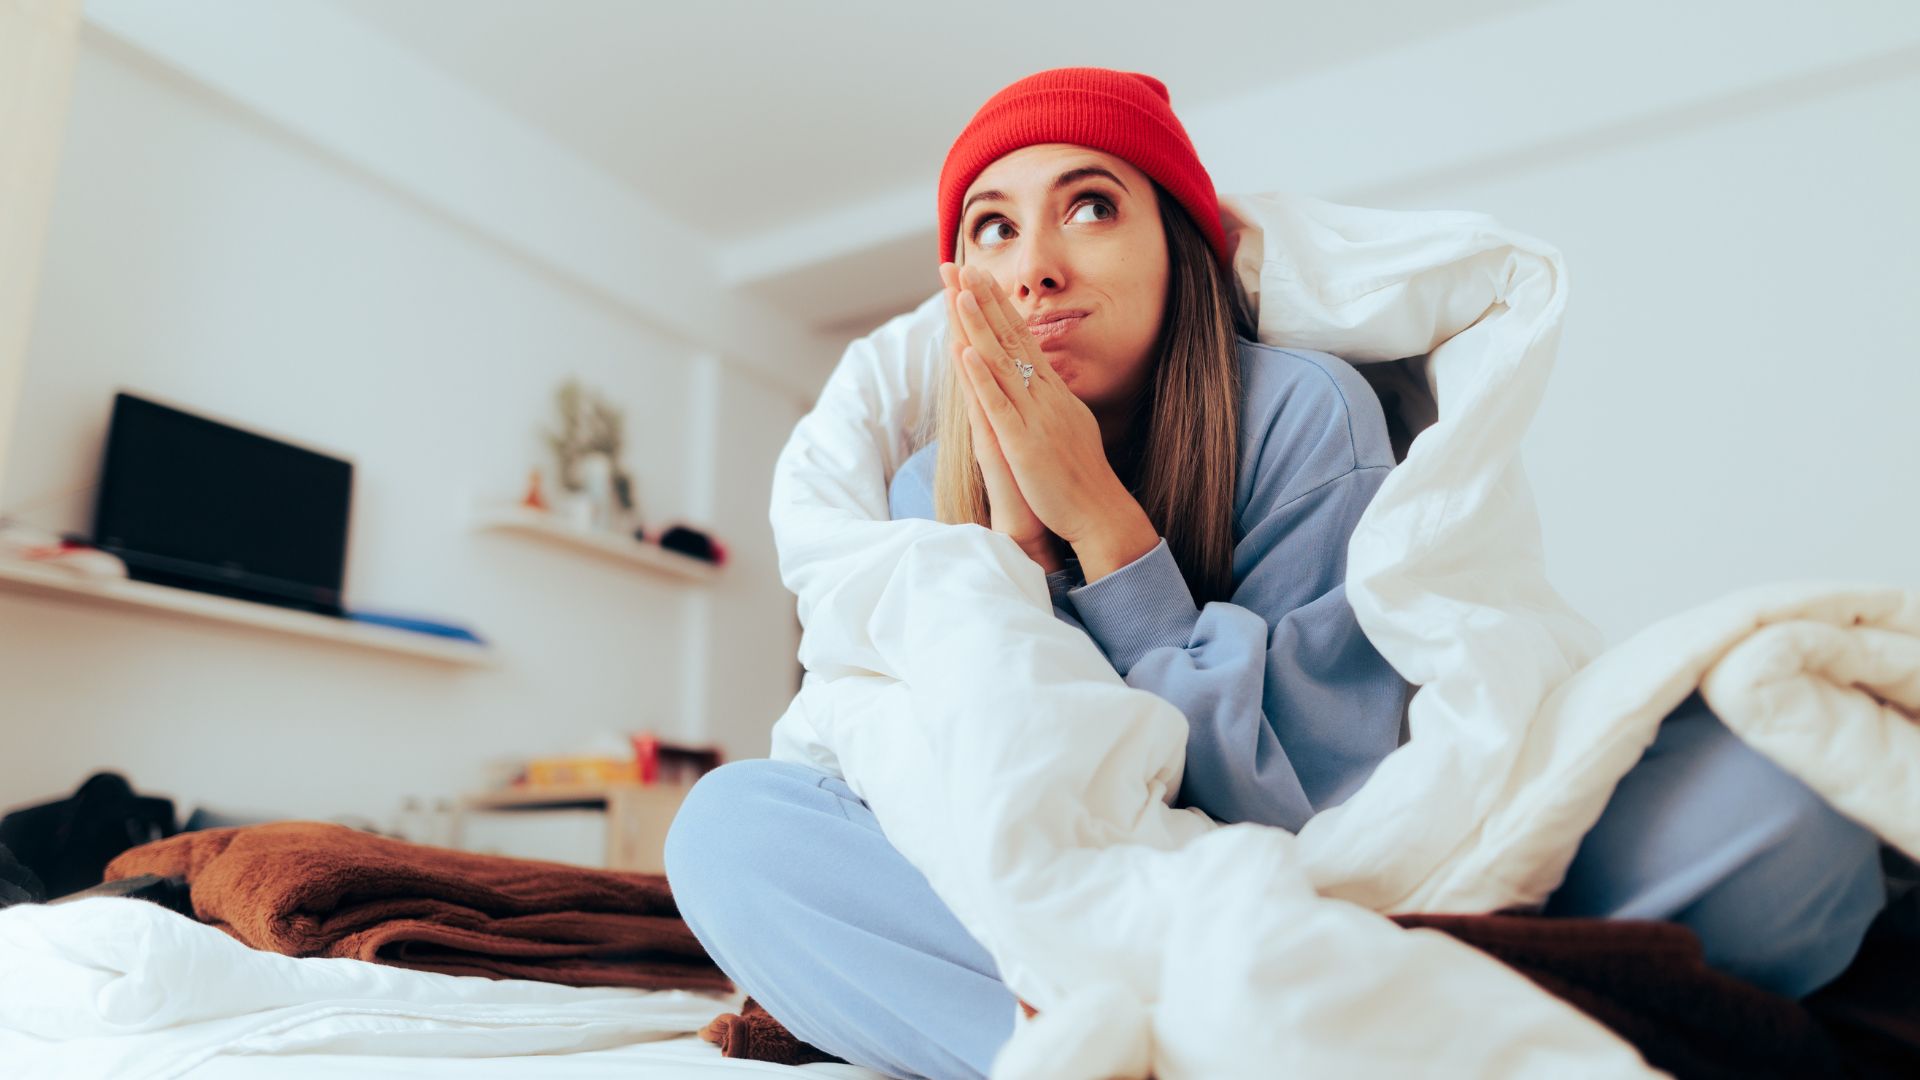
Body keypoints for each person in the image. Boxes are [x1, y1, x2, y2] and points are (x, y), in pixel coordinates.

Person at [665, 67, 1888, 1080]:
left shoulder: (1303, 408)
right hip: (1089, 902)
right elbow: (953, 791)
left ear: (1178, 248)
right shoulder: (920, 491)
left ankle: (1222, 1019)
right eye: (993, 226)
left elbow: (1313, 795)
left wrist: (1106, 530)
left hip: (1355, 862)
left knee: (1791, 825)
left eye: (1088, 206)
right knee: (730, 830)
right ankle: (1071, 1051)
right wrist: (1006, 571)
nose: (1033, 266)